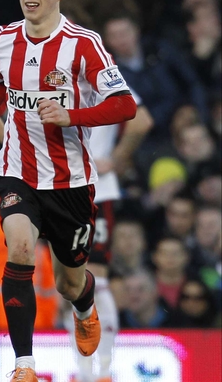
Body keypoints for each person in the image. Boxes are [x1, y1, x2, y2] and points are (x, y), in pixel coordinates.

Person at [0, 0, 137, 382]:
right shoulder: (1, 39)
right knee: (18, 247)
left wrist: (71, 115)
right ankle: (23, 365)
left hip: (71, 179)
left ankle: (85, 307)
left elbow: (125, 105)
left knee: (69, 283)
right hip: (17, 168)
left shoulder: (83, 43)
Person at [65, 88, 152, 382]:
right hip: (60, 187)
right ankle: (94, 371)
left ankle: (97, 371)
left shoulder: (104, 74)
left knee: (90, 278)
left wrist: (114, 158)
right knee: (74, 280)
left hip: (90, 188)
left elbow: (142, 121)